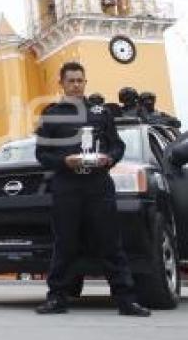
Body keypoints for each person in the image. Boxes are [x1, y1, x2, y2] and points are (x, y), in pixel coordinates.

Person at [33, 61, 149, 317]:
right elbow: (42, 154)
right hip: (67, 186)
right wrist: (64, 161)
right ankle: (57, 298)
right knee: (65, 243)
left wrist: (109, 158)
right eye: (71, 81)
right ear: (61, 83)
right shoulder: (51, 114)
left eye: (80, 81)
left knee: (110, 243)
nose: (76, 85)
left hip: (98, 185)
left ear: (85, 82)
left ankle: (126, 300)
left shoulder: (100, 112)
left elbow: (117, 146)